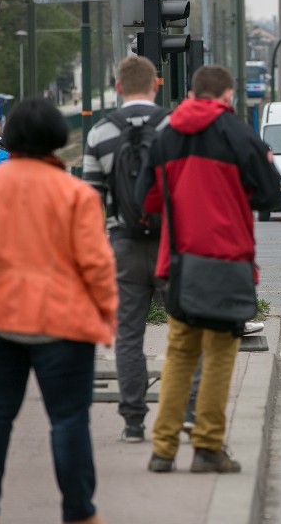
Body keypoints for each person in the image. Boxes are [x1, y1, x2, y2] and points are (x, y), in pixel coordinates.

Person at [0, 98, 117, 524]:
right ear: (57, 139)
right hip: (62, 325)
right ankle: (80, 514)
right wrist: (107, 319)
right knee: (68, 421)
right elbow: (97, 266)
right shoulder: (75, 194)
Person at [137, 64, 281, 474]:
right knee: (219, 356)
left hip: (179, 262)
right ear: (228, 96)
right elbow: (271, 194)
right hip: (227, 261)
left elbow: (144, 201)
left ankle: (162, 450)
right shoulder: (238, 134)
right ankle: (207, 448)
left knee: (179, 354)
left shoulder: (164, 136)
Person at [83, 55, 170, 444]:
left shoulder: (100, 133)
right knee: (186, 330)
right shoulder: (175, 127)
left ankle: (133, 421)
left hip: (124, 245)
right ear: (157, 84)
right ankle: (186, 413)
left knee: (129, 336)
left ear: (118, 87)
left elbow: (91, 203)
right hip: (172, 244)